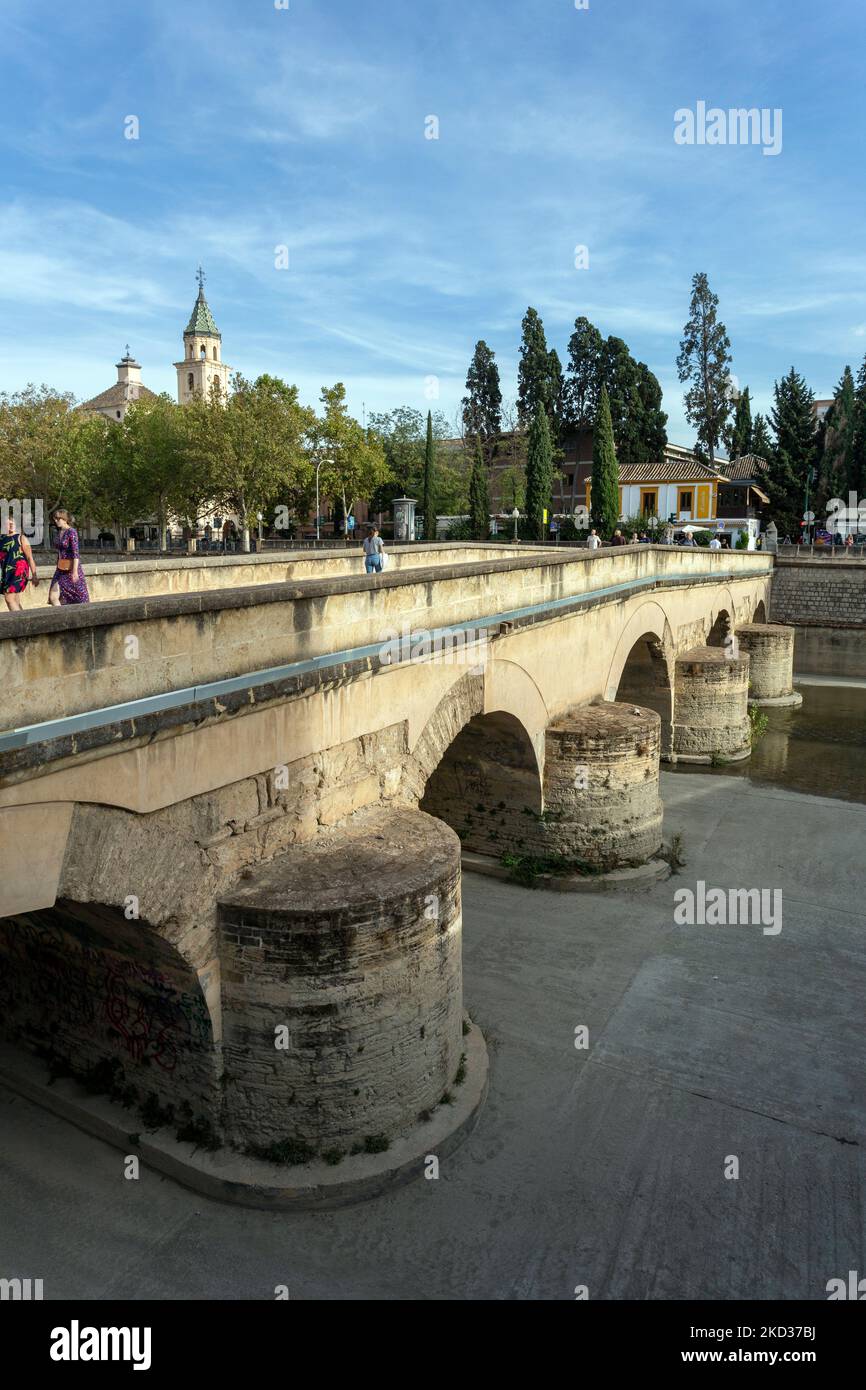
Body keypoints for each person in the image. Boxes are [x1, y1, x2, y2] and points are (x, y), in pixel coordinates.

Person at [48, 509, 89, 606]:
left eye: (58, 518)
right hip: (60, 568)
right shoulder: (58, 533)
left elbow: (76, 553)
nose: (56, 521)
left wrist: (75, 571)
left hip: (71, 568)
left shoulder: (72, 532)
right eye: (55, 518)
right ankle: (61, 618)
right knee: (53, 597)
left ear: (65, 519)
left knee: (79, 597)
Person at [1, 513, 39, 611]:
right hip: (6, 572)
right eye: (7, 524)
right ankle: (26, 622)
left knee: (9, 598)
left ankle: (18, 623)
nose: (10, 525)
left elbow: (30, 558)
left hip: (18, 572)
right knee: (15, 600)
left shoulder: (21, 538)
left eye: (12, 523)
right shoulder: (2, 538)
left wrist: (34, 576)